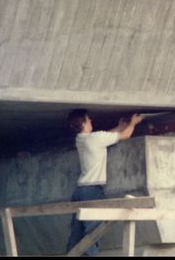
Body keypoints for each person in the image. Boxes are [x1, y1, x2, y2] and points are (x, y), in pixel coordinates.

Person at [65, 109, 143, 256]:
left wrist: (119, 127)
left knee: (77, 232)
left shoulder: (81, 139)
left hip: (80, 191)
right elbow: (125, 135)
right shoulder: (95, 139)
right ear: (83, 123)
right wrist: (132, 124)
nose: (91, 121)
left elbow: (106, 136)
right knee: (93, 232)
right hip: (92, 191)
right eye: (88, 120)